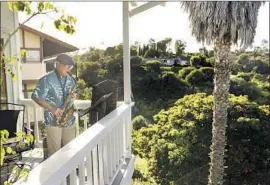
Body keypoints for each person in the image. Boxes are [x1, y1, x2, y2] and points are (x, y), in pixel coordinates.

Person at [31, 53, 77, 157]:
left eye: (71, 67)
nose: (69, 69)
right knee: (55, 153)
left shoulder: (71, 79)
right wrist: (51, 108)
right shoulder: (46, 79)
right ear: (58, 64)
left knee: (69, 150)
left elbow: (75, 92)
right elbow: (35, 96)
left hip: (68, 119)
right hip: (53, 120)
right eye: (67, 66)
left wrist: (74, 95)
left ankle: (68, 172)